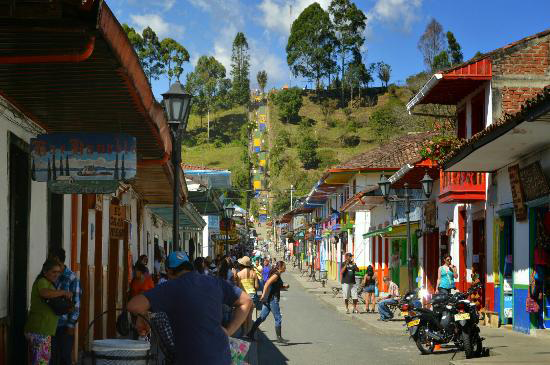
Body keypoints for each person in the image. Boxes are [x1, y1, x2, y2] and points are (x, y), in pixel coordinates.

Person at [127, 251, 252, 365]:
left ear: (169, 272)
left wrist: (143, 315)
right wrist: (229, 331)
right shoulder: (215, 282)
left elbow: (133, 305)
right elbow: (246, 301)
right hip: (221, 357)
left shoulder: (171, 287)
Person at [25, 258, 72, 365]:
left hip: (43, 330)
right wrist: (63, 292)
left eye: (59, 272)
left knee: (41, 361)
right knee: (41, 362)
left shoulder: (49, 283)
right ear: (45, 272)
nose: (57, 275)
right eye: (53, 272)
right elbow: (45, 293)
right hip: (40, 330)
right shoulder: (42, 281)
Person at [49, 248, 81, 365]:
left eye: (51, 259)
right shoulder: (50, 276)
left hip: (64, 326)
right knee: (52, 357)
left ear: (57, 260)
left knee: (64, 357)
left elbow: (76, 304)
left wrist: (71, 325)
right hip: (50, 324)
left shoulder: (72, 278)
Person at [247, 261, 290, 343]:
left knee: (262, 317)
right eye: (284, 266)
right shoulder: (276, 275)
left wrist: (284, 286)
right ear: (280, 267)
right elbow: (267, 284)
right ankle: (279, 338)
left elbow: (274, 286)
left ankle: (250, 333)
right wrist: (263, 295)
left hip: (269, 299)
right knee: (278, 318)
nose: (285, 267)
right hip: (272, 299)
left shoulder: (277, 274)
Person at [236, 256, 259, 333]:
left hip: (243, 295)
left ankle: (243, 332)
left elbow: (238, 287)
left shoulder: (239, 274)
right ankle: (249, 332)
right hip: (252, 295)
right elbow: (256, 286)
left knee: (243, 315)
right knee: (250, 315)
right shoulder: (254, 273)